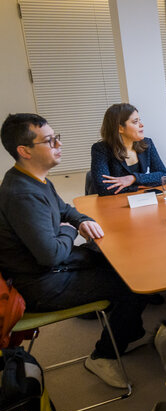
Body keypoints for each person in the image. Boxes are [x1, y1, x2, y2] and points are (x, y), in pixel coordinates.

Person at [0, 113, 150, 388]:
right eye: (50, 141)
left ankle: (127, 331)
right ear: (24, 151)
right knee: (132, 285)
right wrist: (70, 230)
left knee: (120, 262)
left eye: (57, 137)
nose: (58, 144)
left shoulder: (35, 178)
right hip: (40, 283)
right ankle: (102, 356)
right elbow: (50, 254)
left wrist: (80, 220)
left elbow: (64, 210)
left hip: (50, 267)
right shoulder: (21, 194)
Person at [90, 103, 166, 196]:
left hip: (141, 199)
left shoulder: (147, 143)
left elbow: (163, 175)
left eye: (140, 120)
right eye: (135, 122)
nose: (141, 125)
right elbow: (103, 188)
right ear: (120, 128)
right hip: (114, 203)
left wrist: (133, 178)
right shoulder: (100, 149)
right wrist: (138, 186)